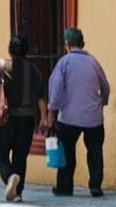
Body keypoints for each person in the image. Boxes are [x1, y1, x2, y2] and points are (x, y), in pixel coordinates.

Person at [46, 27, 110, 197]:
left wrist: (52, 111)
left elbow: (56, 89)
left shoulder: (64, 63)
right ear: (82, 44)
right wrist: (102, 102)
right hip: (93, 117)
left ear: (66, 44)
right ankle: (95, 186)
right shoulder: (93, 62)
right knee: (95, 152)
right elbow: (105, 86)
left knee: (68, 152)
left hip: (68, 117)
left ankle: (65, 187)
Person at [0, 36, 47, 202]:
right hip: (27, 120)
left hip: (5, 118)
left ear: (10, 50)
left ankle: (10, 176)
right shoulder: (34, 71)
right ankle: (17, 193)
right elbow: (41, 97)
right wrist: (44, 117)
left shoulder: (2, 66)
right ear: (27, 51)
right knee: (20, 156)